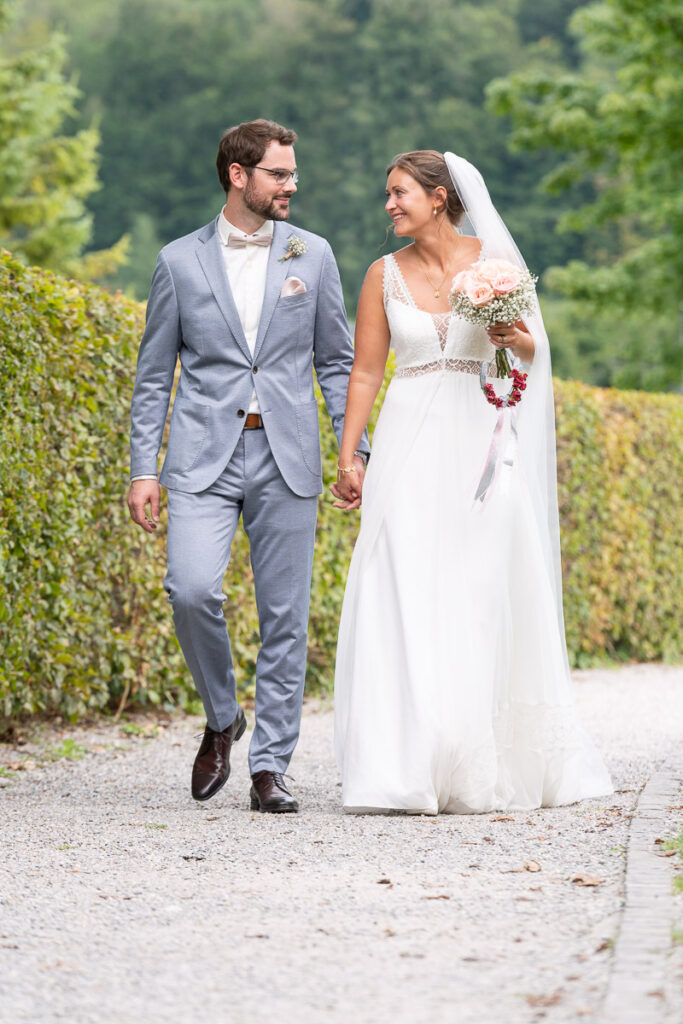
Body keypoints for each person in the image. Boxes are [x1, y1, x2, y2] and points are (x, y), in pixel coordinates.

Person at [332, 149, 612, 814]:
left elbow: (531, 352)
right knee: (398, 581)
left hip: (477, 440)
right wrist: (350, 453)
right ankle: (401, 766)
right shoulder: (381, 274)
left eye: (399, 193)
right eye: (387, 194)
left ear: (438, 196)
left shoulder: (495, 265)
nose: (389, 206)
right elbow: (366, 371)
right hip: (406, 437)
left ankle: (474, 760)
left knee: (478, 588)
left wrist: (514, 338)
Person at [128, 118, 369, 813]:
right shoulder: (178, 261)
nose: (292, 184)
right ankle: (222, 713)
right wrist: (144, 468)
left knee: (285, 615)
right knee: (190, 589)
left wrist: (351, 449)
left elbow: (335, 360)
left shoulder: (312, 254)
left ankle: (270, 767)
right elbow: (153, 377)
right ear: (239, 176)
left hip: (287, 454)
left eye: (292, 173)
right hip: (202, 457)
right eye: (279, 174)